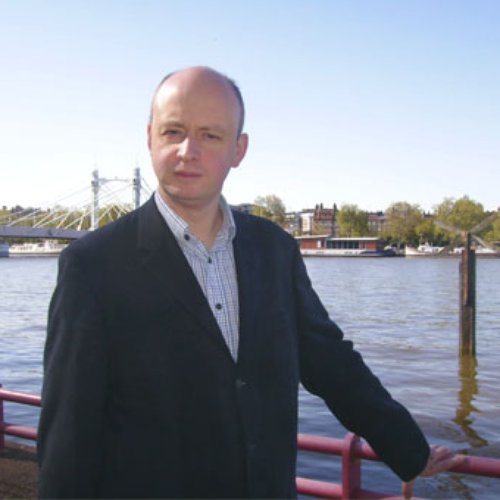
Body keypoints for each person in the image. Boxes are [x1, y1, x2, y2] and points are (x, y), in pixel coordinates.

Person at [37, 66, 461, 498]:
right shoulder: (92, 266)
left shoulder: (275, 250)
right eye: (173, 132)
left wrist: (408, 448)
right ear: (150, 138)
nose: (188, 151)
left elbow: (330, 360)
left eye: (210, 135)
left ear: (238, 149)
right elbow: (69, 431)